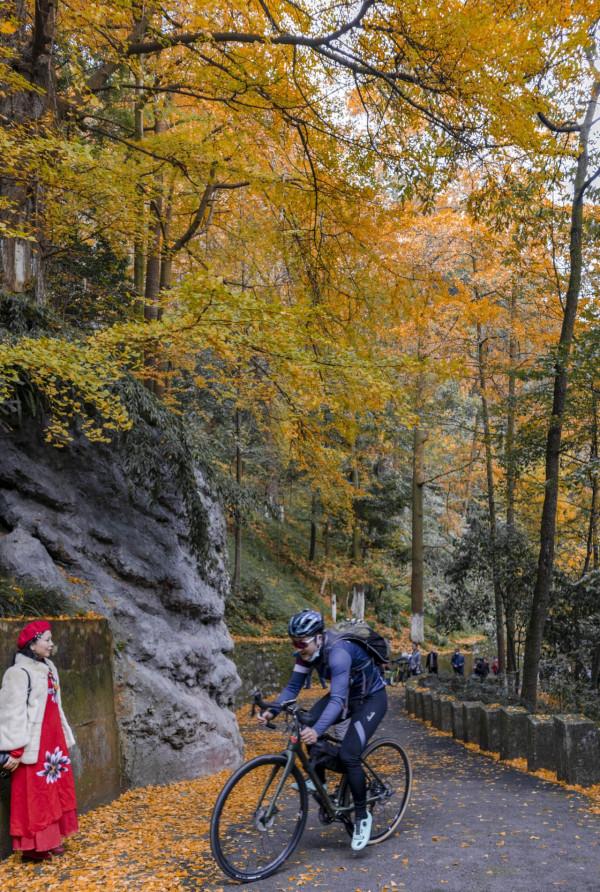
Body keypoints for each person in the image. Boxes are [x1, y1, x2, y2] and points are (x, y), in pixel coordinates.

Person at [257, 609, 387, 852]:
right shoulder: (306, 654)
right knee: (305, 719)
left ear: (318, 638)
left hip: (370, 699)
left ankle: (362, 818)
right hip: (347, 695)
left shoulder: (338, 653)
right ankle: (321, 781)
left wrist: (317, 731)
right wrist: (271, 711)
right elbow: (292, 687)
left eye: (301, 643)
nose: (298, 647)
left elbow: (337, 701)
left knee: (349, 754)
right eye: (293, 642)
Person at [0, 620, 78, 862]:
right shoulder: (18, 673)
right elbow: (11, 712)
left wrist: (64, 735)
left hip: (53, 741)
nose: (51, 644)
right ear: (32, 644)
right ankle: (35, 846)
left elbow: (56, 705)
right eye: (47, 639)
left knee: (53, 790)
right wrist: (14, 749)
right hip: (32, 743)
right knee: (35, 794)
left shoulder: (49, 667)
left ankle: (52, 840)